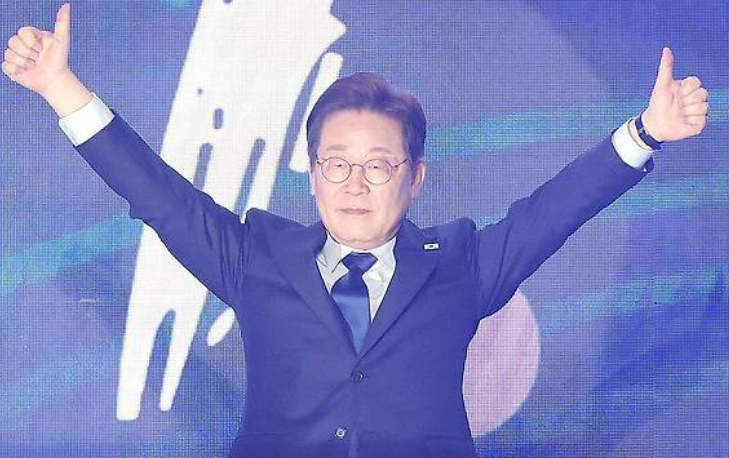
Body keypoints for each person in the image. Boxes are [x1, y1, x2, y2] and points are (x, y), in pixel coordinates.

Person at [2, 4, 709, 458]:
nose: (354, 184)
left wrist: (646, 131)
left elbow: (554, 211)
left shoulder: (460, 264)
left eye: (378, 165)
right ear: (312, 175)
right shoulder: (256, 257)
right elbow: (159, 197)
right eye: (335, 164)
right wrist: (62, 87)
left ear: (416, 176)